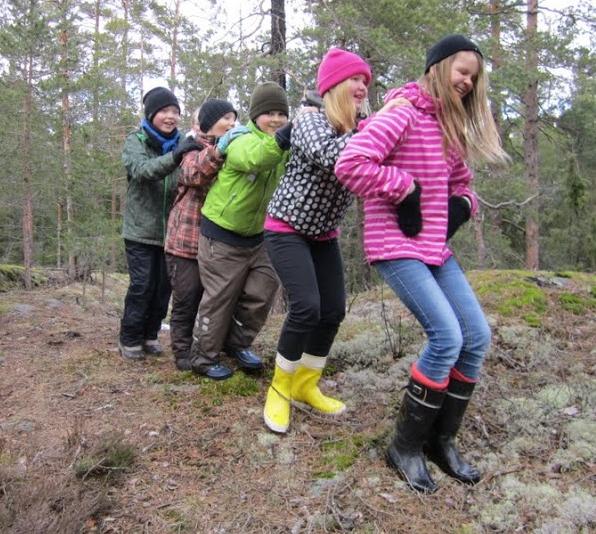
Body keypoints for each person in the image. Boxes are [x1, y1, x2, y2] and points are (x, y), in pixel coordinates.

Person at [335, 35, 509, 492]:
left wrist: (462, 207)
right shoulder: (402, 113)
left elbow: (464, 184)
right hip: (395, 244)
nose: (468, 82)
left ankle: (441, 441)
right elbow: (351, 163)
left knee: (476, 337)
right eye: (462, 71)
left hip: (435, 247)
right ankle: (405, 446)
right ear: (437, 66)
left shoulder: (450, 126)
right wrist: (404, 188)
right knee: (446, 336)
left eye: (474, 77)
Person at [260, 48, 373, 433]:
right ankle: (279, 388)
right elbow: (333, 156)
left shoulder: (364, 124)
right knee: (306, 307)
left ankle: (306, 385)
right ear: (334, 84)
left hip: (323, 234)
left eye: (365, 81)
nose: (361, 86)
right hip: (286, 229)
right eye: (354, 79)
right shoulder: (310, 120)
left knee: (333, 310)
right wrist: (376, 134)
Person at [189, 82, 292, 380]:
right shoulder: (241, 138)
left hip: (259, 236)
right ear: (255, 115)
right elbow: (257, 159)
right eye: (269, 113)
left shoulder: (282, 143)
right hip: (221, 235)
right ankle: (203, 357)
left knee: (262, 293)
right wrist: (285, 137)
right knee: (220, 298)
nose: (275, 119)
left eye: (281, 114)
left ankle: (237, 344)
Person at [119, 87, 201, 361]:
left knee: (163, 288)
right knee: (142, 286)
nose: (170, 117)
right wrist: (176, 155)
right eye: (164, 111)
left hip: (172, 233)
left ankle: (150, 335)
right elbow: (143, 171)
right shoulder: (136, 141)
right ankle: (130, 338)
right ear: (152, 114)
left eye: (175, 112)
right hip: (140, 231)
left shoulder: (183, 142)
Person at [164, 99, 237, 371]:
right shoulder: (191, 148)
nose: (230, 123)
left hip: (220, 243)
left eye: (233, 118)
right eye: (223, 118)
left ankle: (211, 346)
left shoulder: (234, 148)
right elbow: (194, 174)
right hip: (186, 241)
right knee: (187, 297)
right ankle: (182, 352)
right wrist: (220, 150)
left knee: (216, 300)